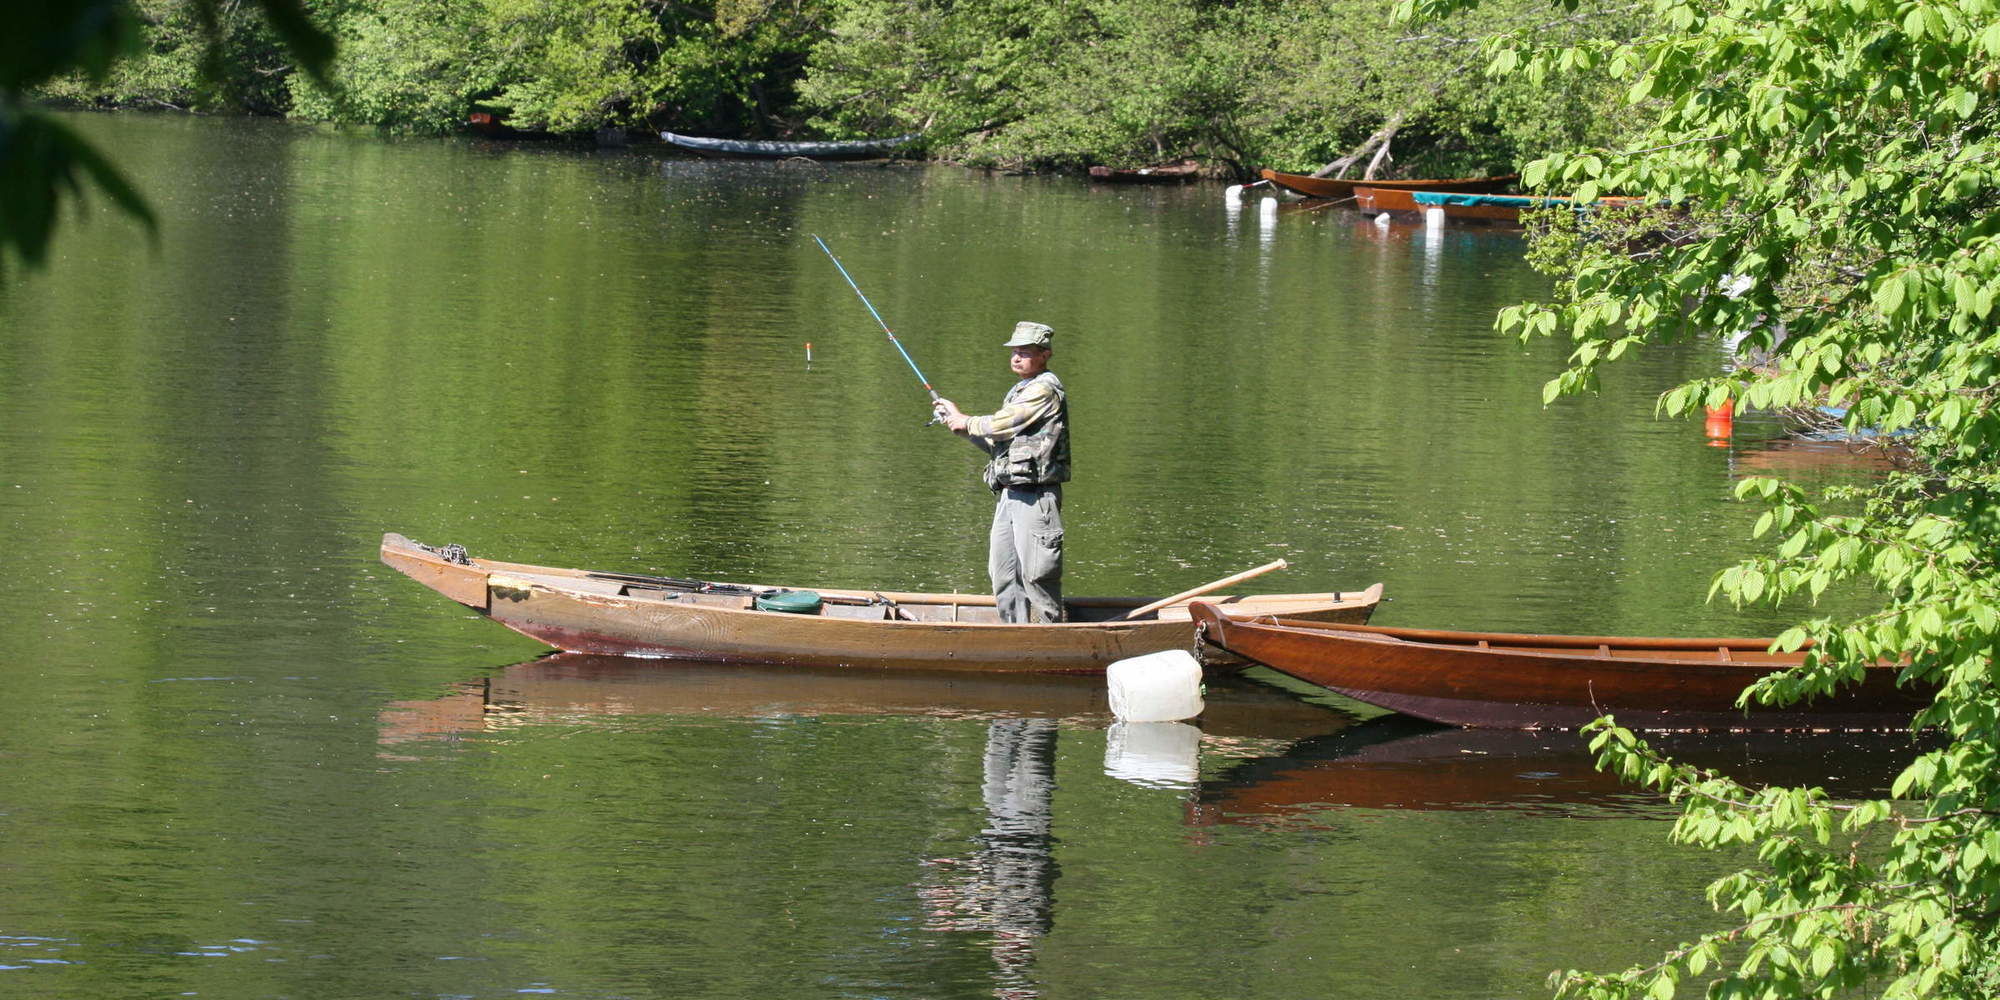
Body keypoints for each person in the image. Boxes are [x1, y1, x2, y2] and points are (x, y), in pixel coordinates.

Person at [932, 321, 1071, 624]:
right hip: (1010, 494)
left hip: (1036, 497)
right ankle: (1015, 635)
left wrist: (965, 419)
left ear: (1045, 355)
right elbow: (1000, 443)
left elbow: (1001, 423)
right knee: (1003, 574)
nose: (1016, 357)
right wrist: (957, 425)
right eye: (1014, 351)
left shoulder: (1044, 390)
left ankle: (1050, 637)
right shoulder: (1019, 390)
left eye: (1025, 352)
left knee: (1038, 573)